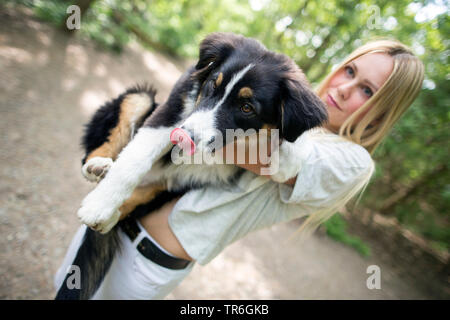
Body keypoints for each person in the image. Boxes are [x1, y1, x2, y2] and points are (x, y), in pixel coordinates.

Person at [54, 39, 424, 299]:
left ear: (383, 112)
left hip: (148, 261)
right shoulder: (279, 100)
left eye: (367, 90)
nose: (345, 88)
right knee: (63, 289)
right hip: (118, 212)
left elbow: (269, 155)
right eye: (350, 70)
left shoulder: (349, 159)